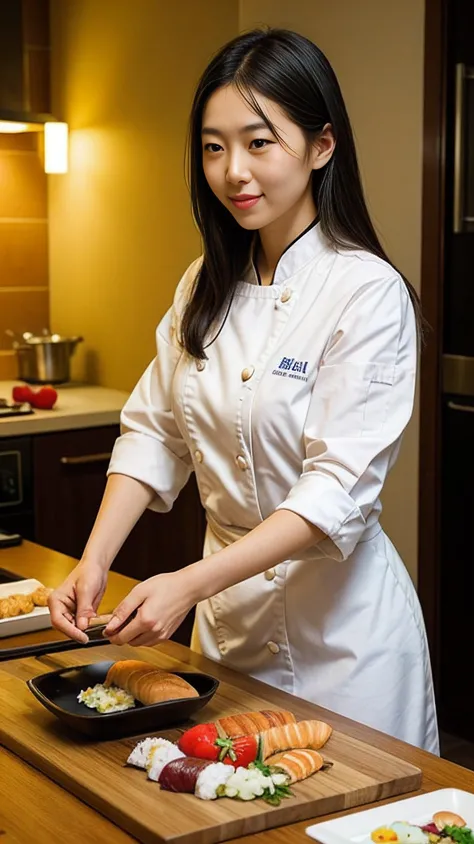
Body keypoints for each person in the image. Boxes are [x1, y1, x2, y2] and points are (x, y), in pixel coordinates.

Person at [49, 28, 439, 753]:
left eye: (259, 142)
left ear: (322, 145)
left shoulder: (366, 291)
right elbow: (154, 433)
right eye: (213, 146)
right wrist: (94, 559)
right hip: (229, 631)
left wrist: (190, 583)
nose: (233, 171)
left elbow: (335, 491)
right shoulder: (202, 283)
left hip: (344, 642)